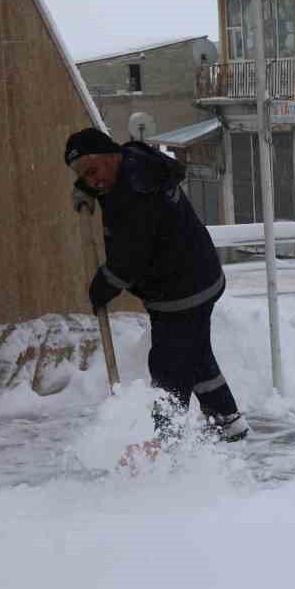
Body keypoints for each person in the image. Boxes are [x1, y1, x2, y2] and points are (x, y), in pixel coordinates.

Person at [65, 127, 249, 443]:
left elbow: (129, 257)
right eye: (84, 176)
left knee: (169, 369)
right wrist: (89, 190)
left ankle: (166, 448)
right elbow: (117, 193)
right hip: (192, 277)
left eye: (92, 171)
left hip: (182, 289)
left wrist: (103, 287)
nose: (93, 180)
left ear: (111, 154)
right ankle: (226, 421)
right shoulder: (136, 165)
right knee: (194, 353)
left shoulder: (135, 193)